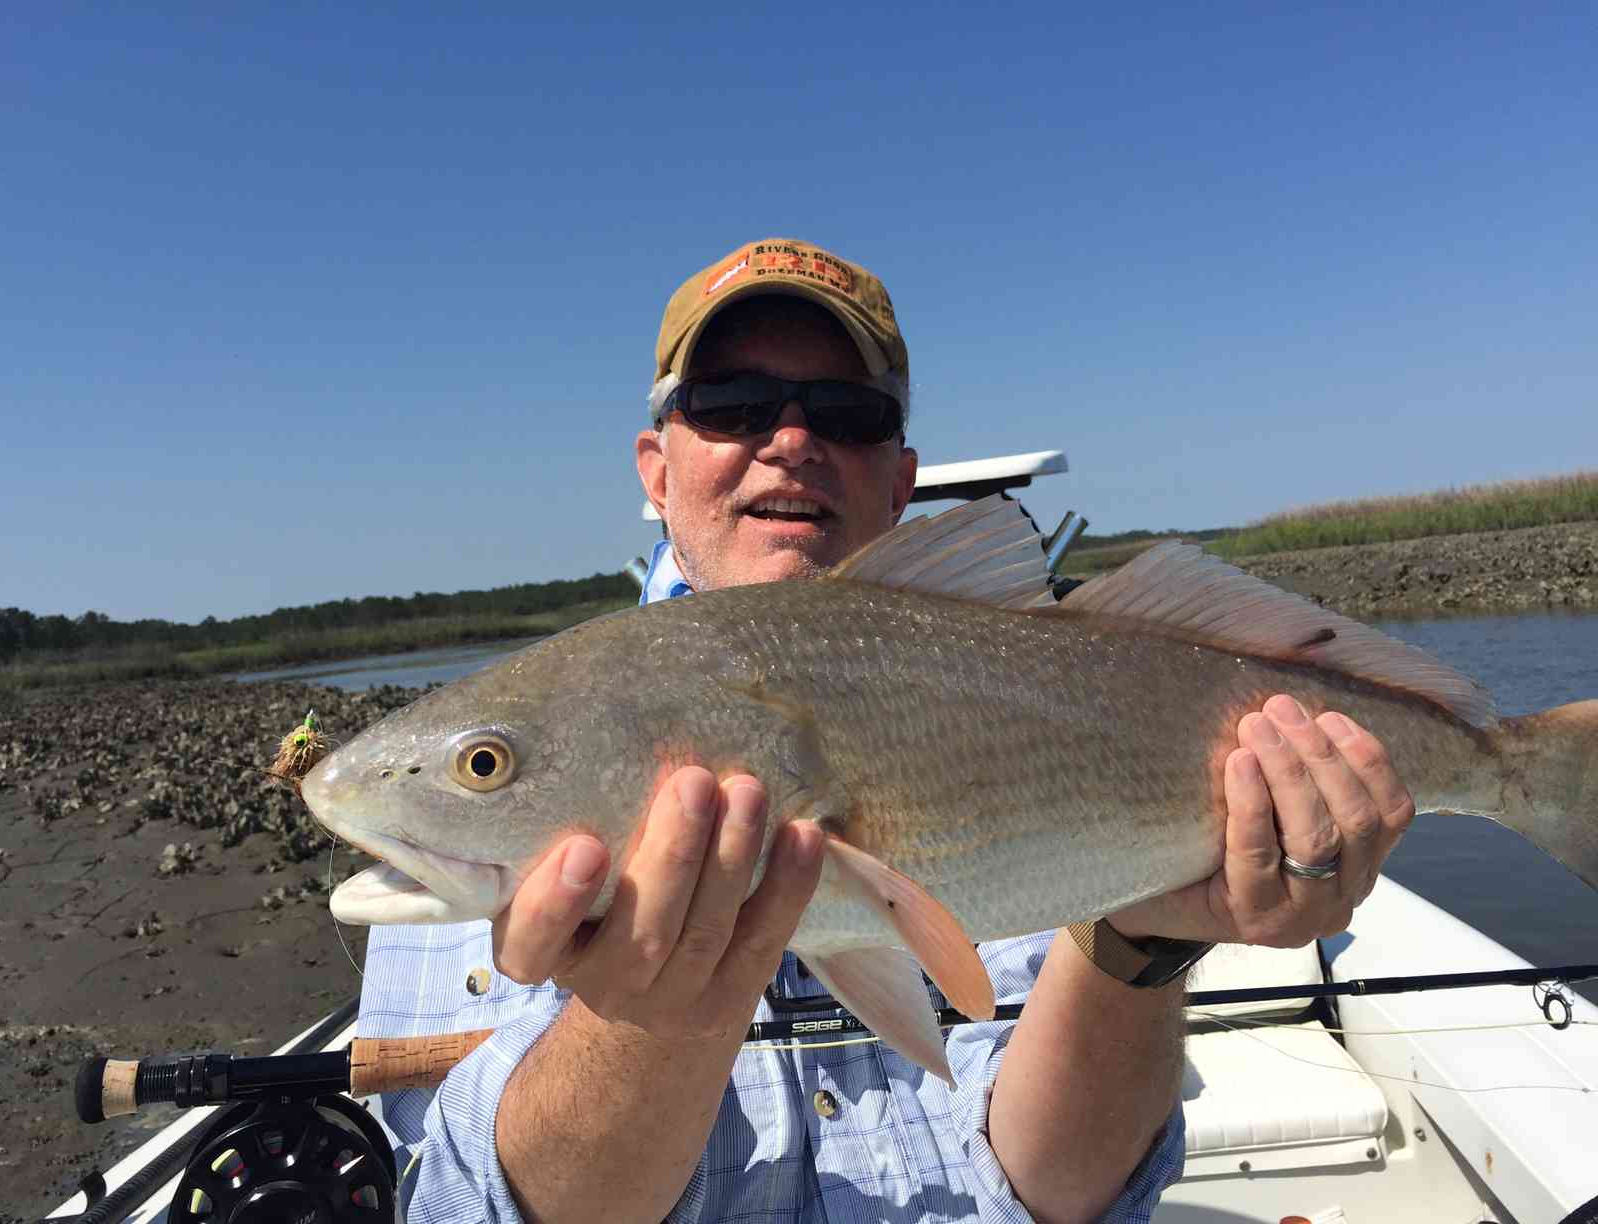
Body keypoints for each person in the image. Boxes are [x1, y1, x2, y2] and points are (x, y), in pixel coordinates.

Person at [358, 238, 1415, 1223]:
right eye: (729, 404)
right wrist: (655, 1024)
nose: (788, 440)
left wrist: (1144, 941)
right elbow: (450, 1200)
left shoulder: (997, 680)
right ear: (655, 467)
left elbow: (1051, 1194)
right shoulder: (544, 741)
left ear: (901, 479)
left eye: (845, 412)